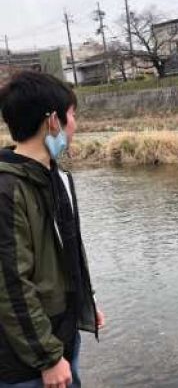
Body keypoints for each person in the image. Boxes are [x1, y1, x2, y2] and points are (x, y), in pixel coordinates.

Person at [0, 71, 105, 388]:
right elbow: (10, 285)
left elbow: (68, 251)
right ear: (53, 122)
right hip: (27, 362)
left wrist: (85, 301)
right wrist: (47, 358)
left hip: (62, 338)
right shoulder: (7, 190)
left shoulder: (58, 177)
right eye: (72, 115)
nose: (75, 125)